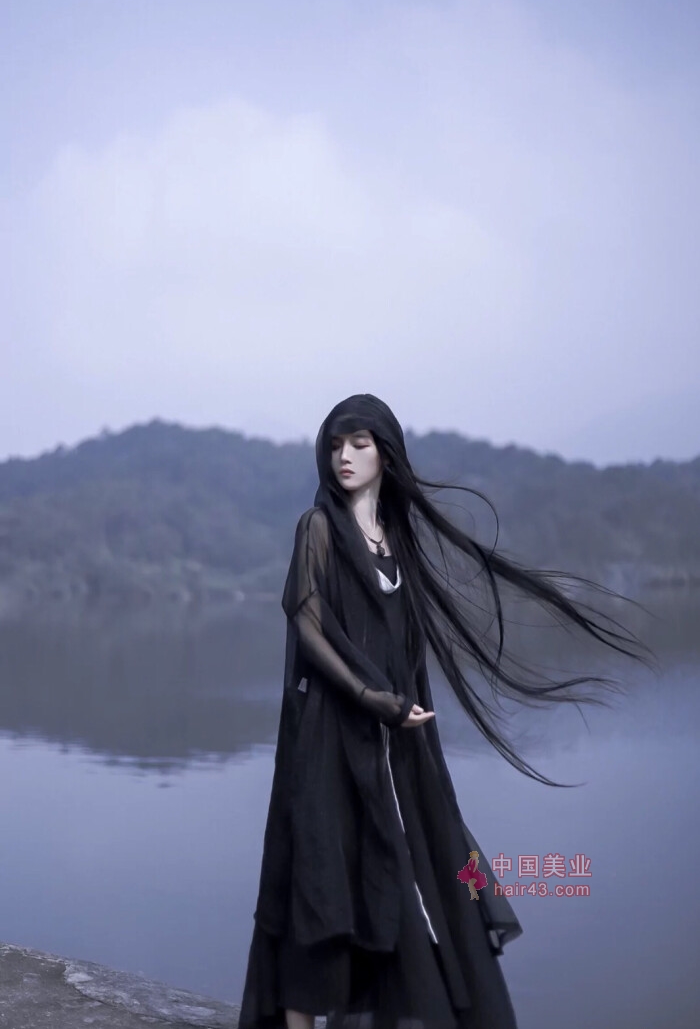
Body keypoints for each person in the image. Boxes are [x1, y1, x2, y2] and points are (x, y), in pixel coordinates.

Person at [238, 393, 658, 1029]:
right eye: (335, 445)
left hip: (392, 746)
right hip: (328, 736)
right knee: (318, 886)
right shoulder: (318, 527)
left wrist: (401, 708)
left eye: (359, 444)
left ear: (385, 454)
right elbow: (308, 623)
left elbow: (403, 644)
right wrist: (375, 699)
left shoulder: (393, 539)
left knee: (407, 874)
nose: (344, 456)